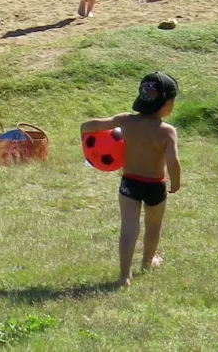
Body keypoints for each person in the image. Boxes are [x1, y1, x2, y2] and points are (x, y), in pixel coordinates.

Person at [80, 72, 182, 288]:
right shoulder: (167, 131)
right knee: (153, 227)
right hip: (155, 185)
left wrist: (87, 146)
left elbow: (90, 125)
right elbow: (173, 162)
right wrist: (176, 182)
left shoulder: (125, 121)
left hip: (130, 183)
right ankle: (147, 262)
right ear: (167, 103)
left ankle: (125, 276)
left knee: (129, 229)